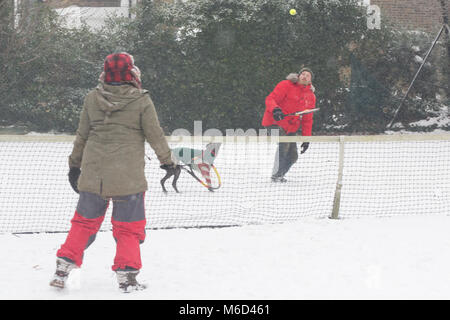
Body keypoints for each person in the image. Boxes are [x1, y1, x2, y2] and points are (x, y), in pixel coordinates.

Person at [49, 52, 178, 292]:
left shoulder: (91, 98)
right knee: (128, 227)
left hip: (94, 174)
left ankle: (63, 266)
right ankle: (127, 277)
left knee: (83, 224)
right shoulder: (141, 100)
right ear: (131, 73)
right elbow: (155, 134)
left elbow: (82, 135)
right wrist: (168, 162)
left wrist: (74, 166)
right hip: (127, 177)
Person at [262, 67, 316, 182]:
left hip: (290, 127)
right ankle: (275, 175)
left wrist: (306, 139)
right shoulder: (285, 85)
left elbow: (307, 120)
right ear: (298, 75)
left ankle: (280, 175)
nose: (305, 76)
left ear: (310, 80)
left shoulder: (311, 97)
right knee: (284, 144)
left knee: (293, 156)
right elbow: (270, 99)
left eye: (308, 75)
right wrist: (275, 110)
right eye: (303, 74)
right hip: (273, 122)